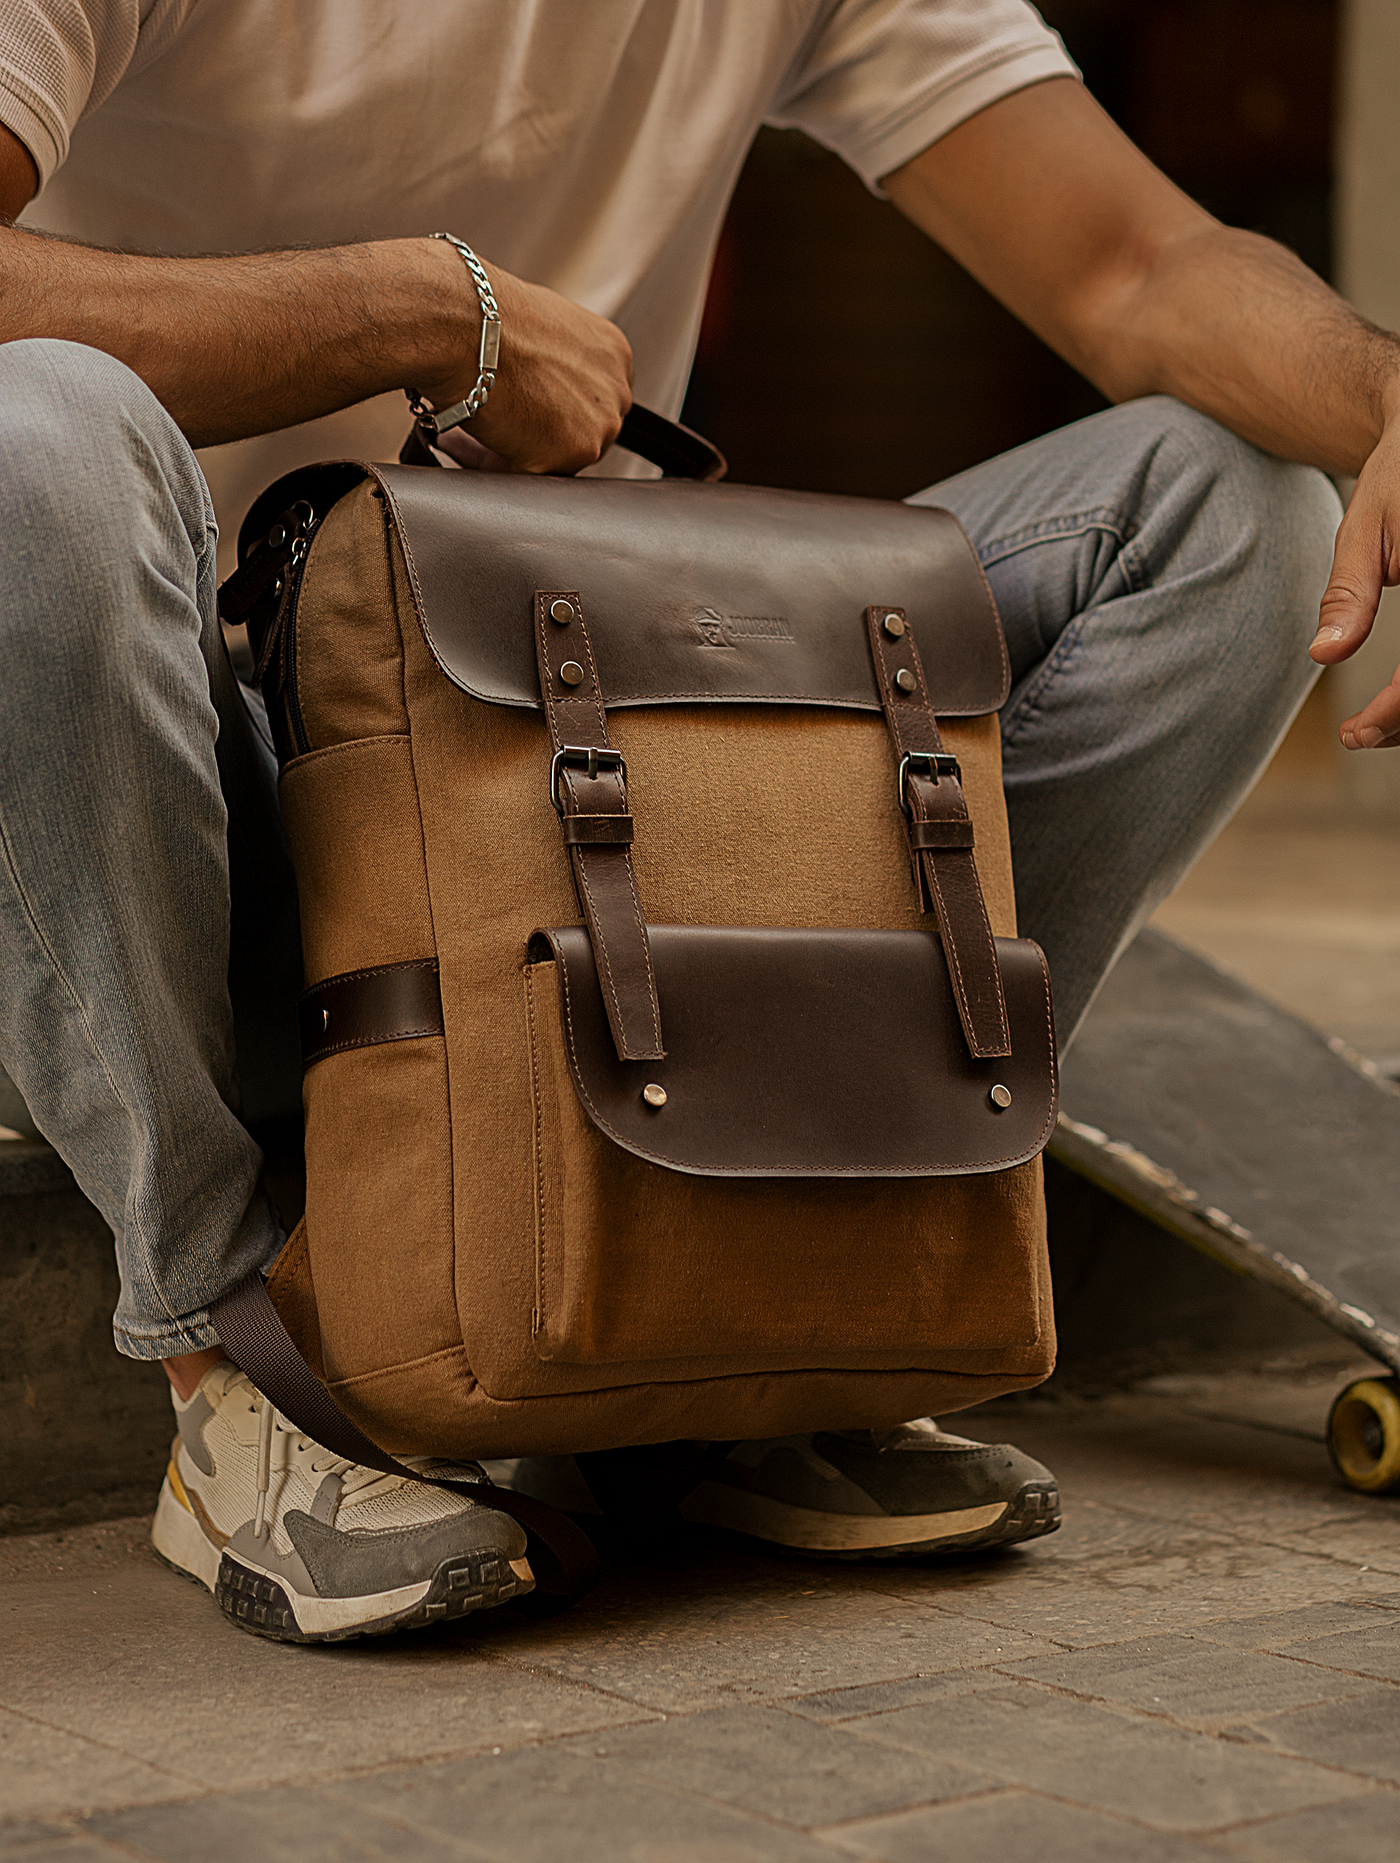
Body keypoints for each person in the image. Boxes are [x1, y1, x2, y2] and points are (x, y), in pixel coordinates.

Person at [0, 0, 1393, 1644]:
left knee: (1241, 508)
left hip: (593, 768)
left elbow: (1134, 268)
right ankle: (241, 1358)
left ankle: (762, 1301)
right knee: (29, 442)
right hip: (186, 786)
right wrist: (418, 307)